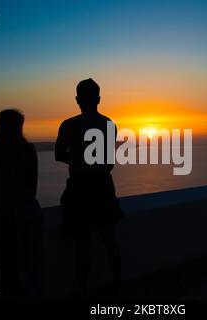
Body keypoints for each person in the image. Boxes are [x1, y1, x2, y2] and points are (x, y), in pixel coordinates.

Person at [55, 78, 124, 295]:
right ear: (99, 99)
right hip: (103, 187)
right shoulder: (109, 125)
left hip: (79, 190)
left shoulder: (68, 125)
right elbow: (108, 159)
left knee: (82, 244)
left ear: (77, 100)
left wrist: (77, 159)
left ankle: (82, 290)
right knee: (109, 239)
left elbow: (58, 155)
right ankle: (118, 285)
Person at [0, 109, 44, 299]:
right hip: (31, 211)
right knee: (31, 263)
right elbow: (33, 185)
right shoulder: (28, 148)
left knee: (10, 264)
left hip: (8, 212)